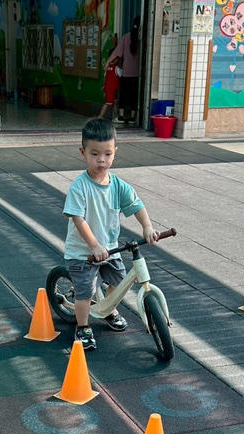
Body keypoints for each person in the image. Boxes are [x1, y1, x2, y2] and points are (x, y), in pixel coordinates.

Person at [63, 118, 158, 351]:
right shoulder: (80, 186)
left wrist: (147, 226)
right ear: (83, 153)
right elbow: (78, 218)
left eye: (107, 154)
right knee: (85, 293)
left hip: (110, 248)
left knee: (119, 281)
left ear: (115, 152)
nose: (101, 160)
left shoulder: (118, 185)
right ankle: (82, 327)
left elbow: (136, 205)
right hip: (83, 252)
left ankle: (107, 309)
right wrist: (94, 245)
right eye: (95, 154)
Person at [106, 15, 141, 125]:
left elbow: (116, 53)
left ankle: (121, 116)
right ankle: (133, 117)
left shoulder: (126, 37)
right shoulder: (142, 38)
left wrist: (107, 62)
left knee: (124, 94)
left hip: (126, 72)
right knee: (134, 95)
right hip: (138, 73)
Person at [97, 40, 120, 120]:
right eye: (117, 58)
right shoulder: (116, 68)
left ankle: (116, 116)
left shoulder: (107, 67)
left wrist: (104, 86)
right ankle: (101, 115)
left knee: (114, 102)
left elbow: (105, 77)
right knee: (108, 102)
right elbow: (121, 74)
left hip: (108, 87)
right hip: (113, 88)